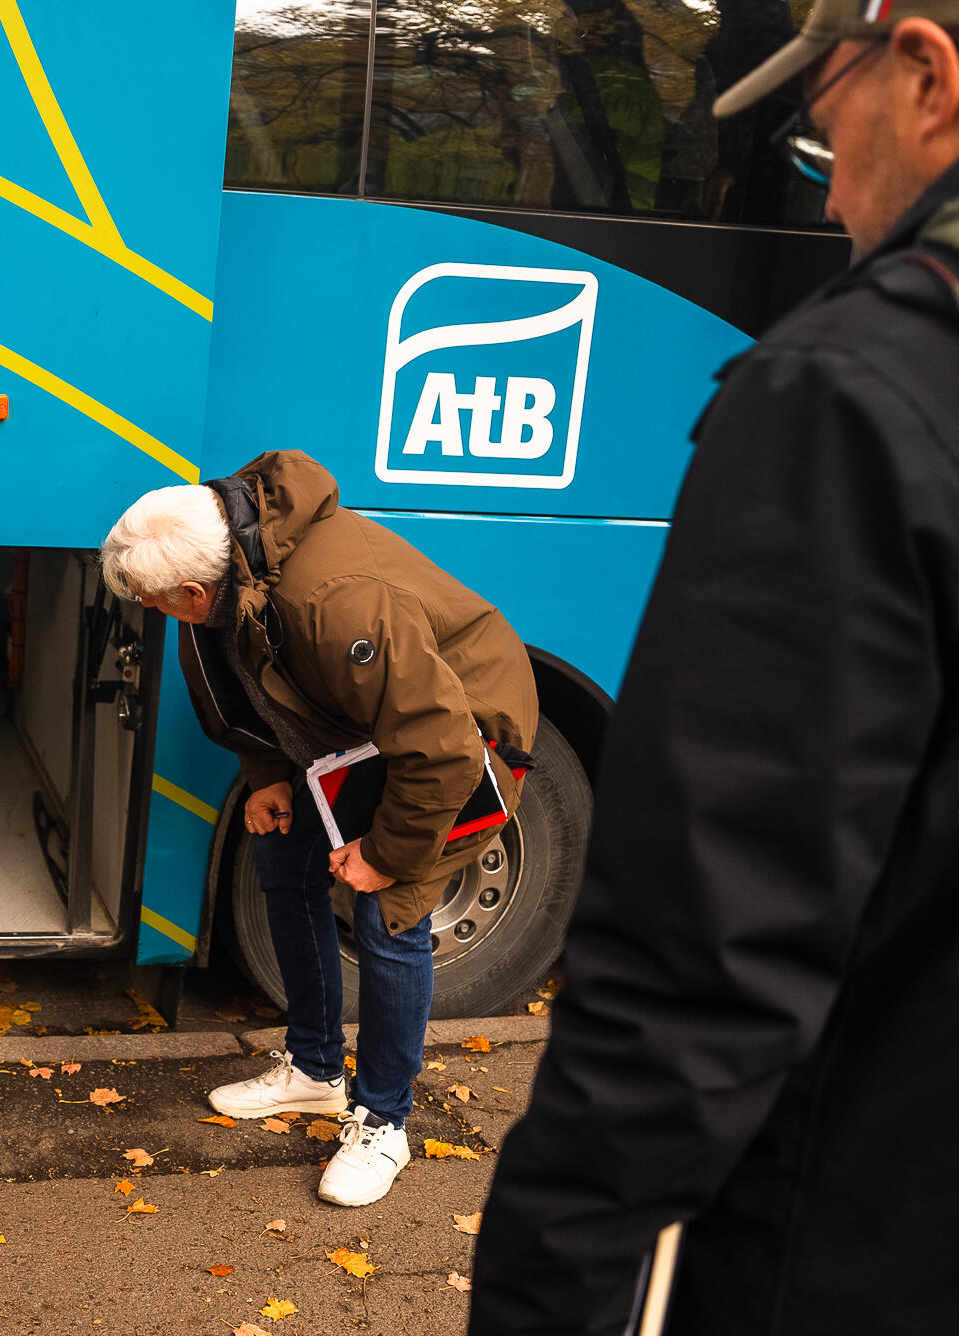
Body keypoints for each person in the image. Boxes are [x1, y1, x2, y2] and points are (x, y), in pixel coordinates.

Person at [469, 5, 959, 1331]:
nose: (815, 147)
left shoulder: (848, 398)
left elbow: (699, 970)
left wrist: (541, 1294)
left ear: (927, 76)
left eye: (831, 96)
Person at [100, 451, 538, 1207]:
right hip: (353, 737)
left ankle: (384, 1123)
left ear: (197, 591)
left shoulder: (335, 604)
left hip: (459, 744)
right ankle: (314, 1072)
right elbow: (249, 679)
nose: (160, 616)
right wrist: (269, 775)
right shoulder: (230, 566)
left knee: (389, 913)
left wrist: (385, 853)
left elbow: (440, 747)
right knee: (281, 858)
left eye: (164, 605)